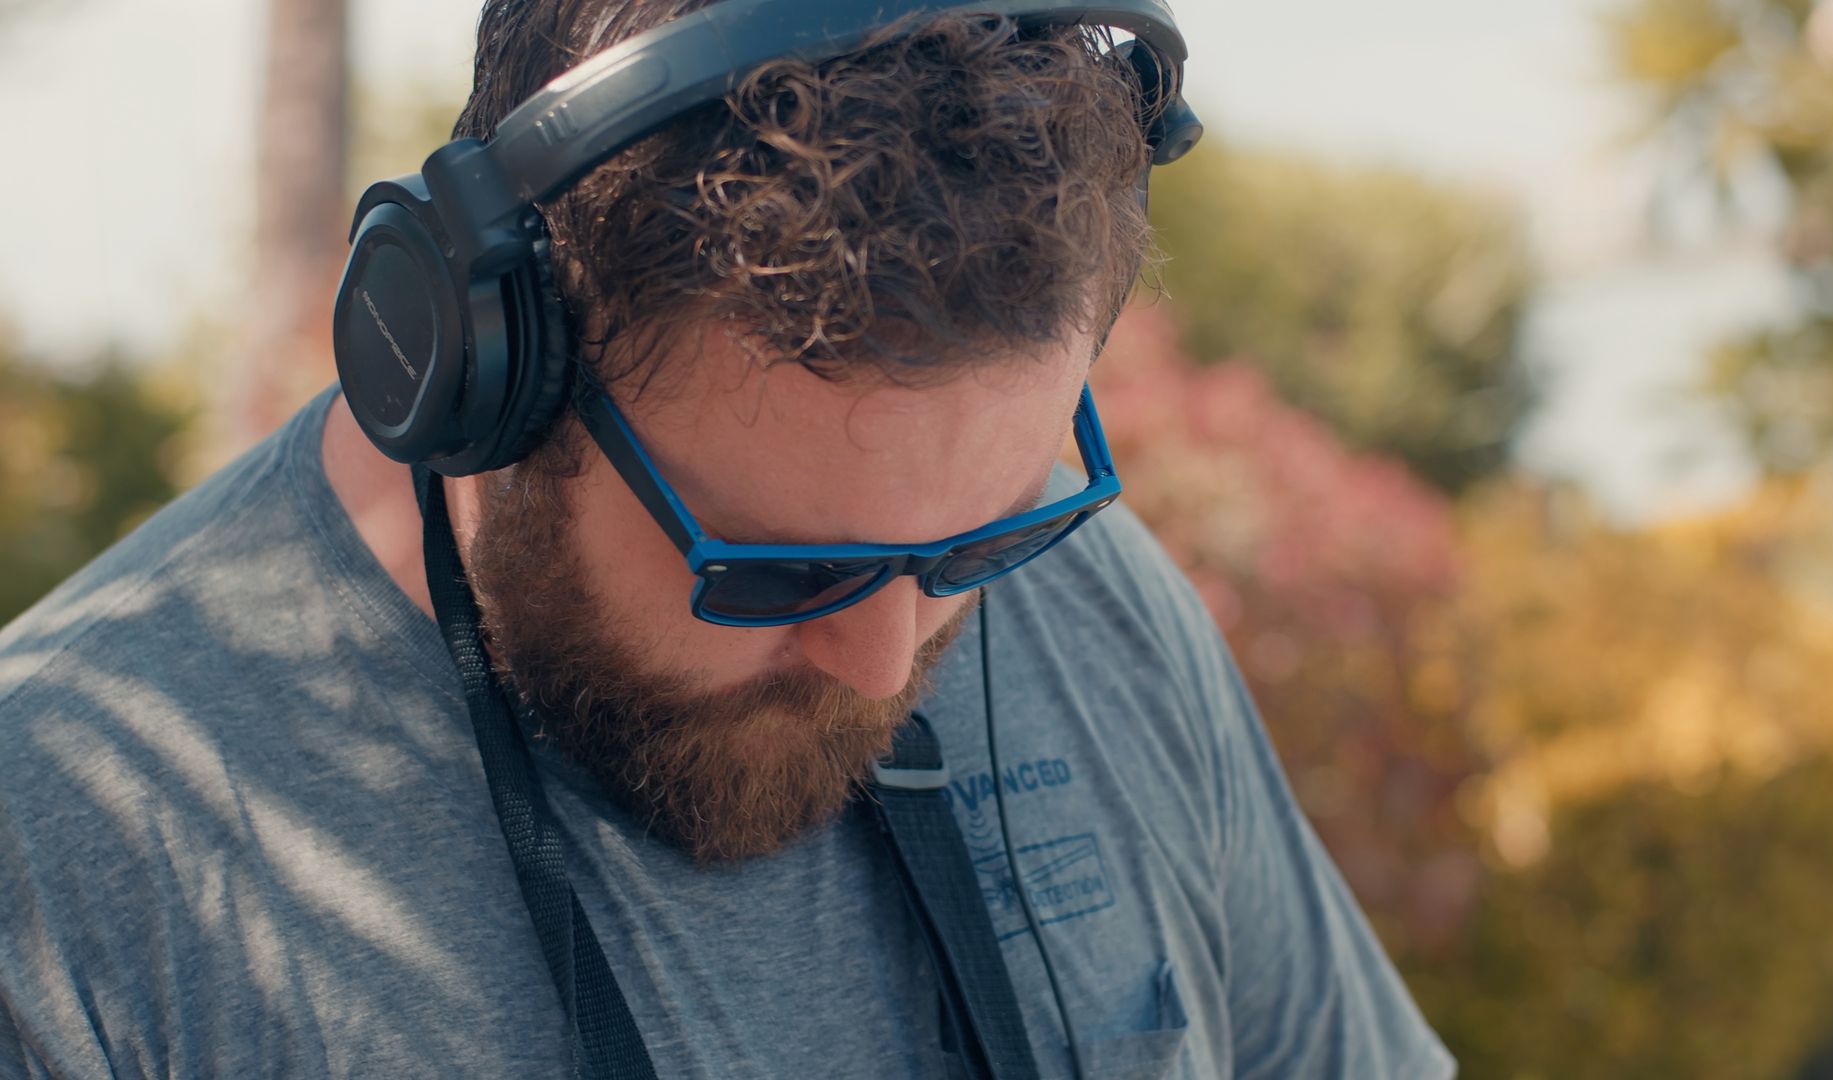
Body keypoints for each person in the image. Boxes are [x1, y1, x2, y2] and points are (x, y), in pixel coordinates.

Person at [0, 1, 1455, 1077]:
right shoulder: (69, 855)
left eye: (980, 543)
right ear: (488, 380)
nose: (888, 661)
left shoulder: (1103, 604)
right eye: (781, 569)